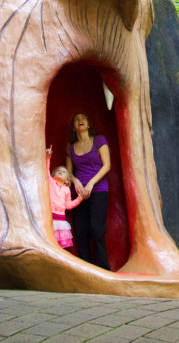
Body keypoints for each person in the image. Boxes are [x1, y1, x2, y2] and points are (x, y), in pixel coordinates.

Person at [66, 113, 112, 269]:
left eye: (83, 118)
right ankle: (87, 270)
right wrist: (75, 180)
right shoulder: (71, 147)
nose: (80, 120)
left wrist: (91, 183)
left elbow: (107, 166)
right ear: (73, 127)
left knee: (97, 230)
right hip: (78, 195)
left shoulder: (99, 140)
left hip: (98, 191)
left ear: (89, 124)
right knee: (81, 233)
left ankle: (104, 270)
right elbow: (68, 172)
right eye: (76, 119)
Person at [46, 147, 83, 248]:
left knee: (59, 245)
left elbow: (68, 205)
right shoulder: (51, 182)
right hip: (50, 218)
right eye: (58, 171)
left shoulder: (66, 189)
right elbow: (46, 170)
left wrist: (79, 198)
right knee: (50, 243)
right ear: (53, 175)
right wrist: (48, 157)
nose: (60, 171)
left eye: (63, 172)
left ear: (67, 180)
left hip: (61, 220)